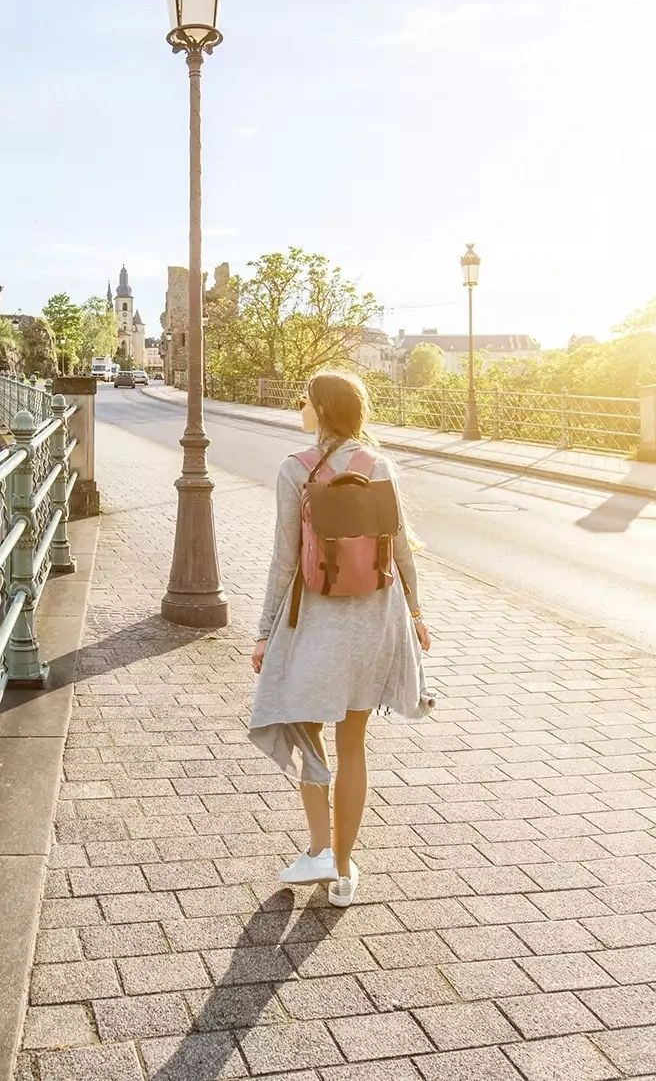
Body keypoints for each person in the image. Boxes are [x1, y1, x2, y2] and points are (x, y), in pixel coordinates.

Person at [250, 369, 432, 908]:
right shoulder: (381, 466)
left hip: (318, 622)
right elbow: (400, 551)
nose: (298, 408)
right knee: (355, 743)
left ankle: (319, 849)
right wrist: (417, 614)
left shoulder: (296, 470)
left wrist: (264, 633)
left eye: (303, 401)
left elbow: (285, 561)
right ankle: (345, 871)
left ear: (321, 411)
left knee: (308, 734)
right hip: (377, 619)